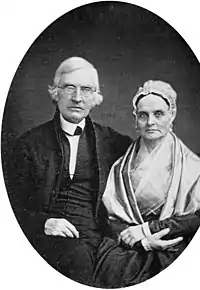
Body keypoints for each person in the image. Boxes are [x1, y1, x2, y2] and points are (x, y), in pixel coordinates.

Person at [5, 57, 132, 286]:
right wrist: (43, 223)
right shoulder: (29, 144)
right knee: (78, 262)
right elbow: (9, 207)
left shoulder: (112, 142)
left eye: (86, 90)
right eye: (70, 88)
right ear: (55, 93)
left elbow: (152, 157)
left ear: (95, 98)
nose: (77, 97)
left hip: (101, 239)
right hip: (52, 240)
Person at [93, 80, 200, 288]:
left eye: (158, 114)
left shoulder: (192, 166)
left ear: (171, 116)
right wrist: (142, 241)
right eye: (143, 115)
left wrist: (150, 229)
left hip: (174, 243)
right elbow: (109, 218)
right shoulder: (120, 167)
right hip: (129, 245)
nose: (150, 122)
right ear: (136, 119)